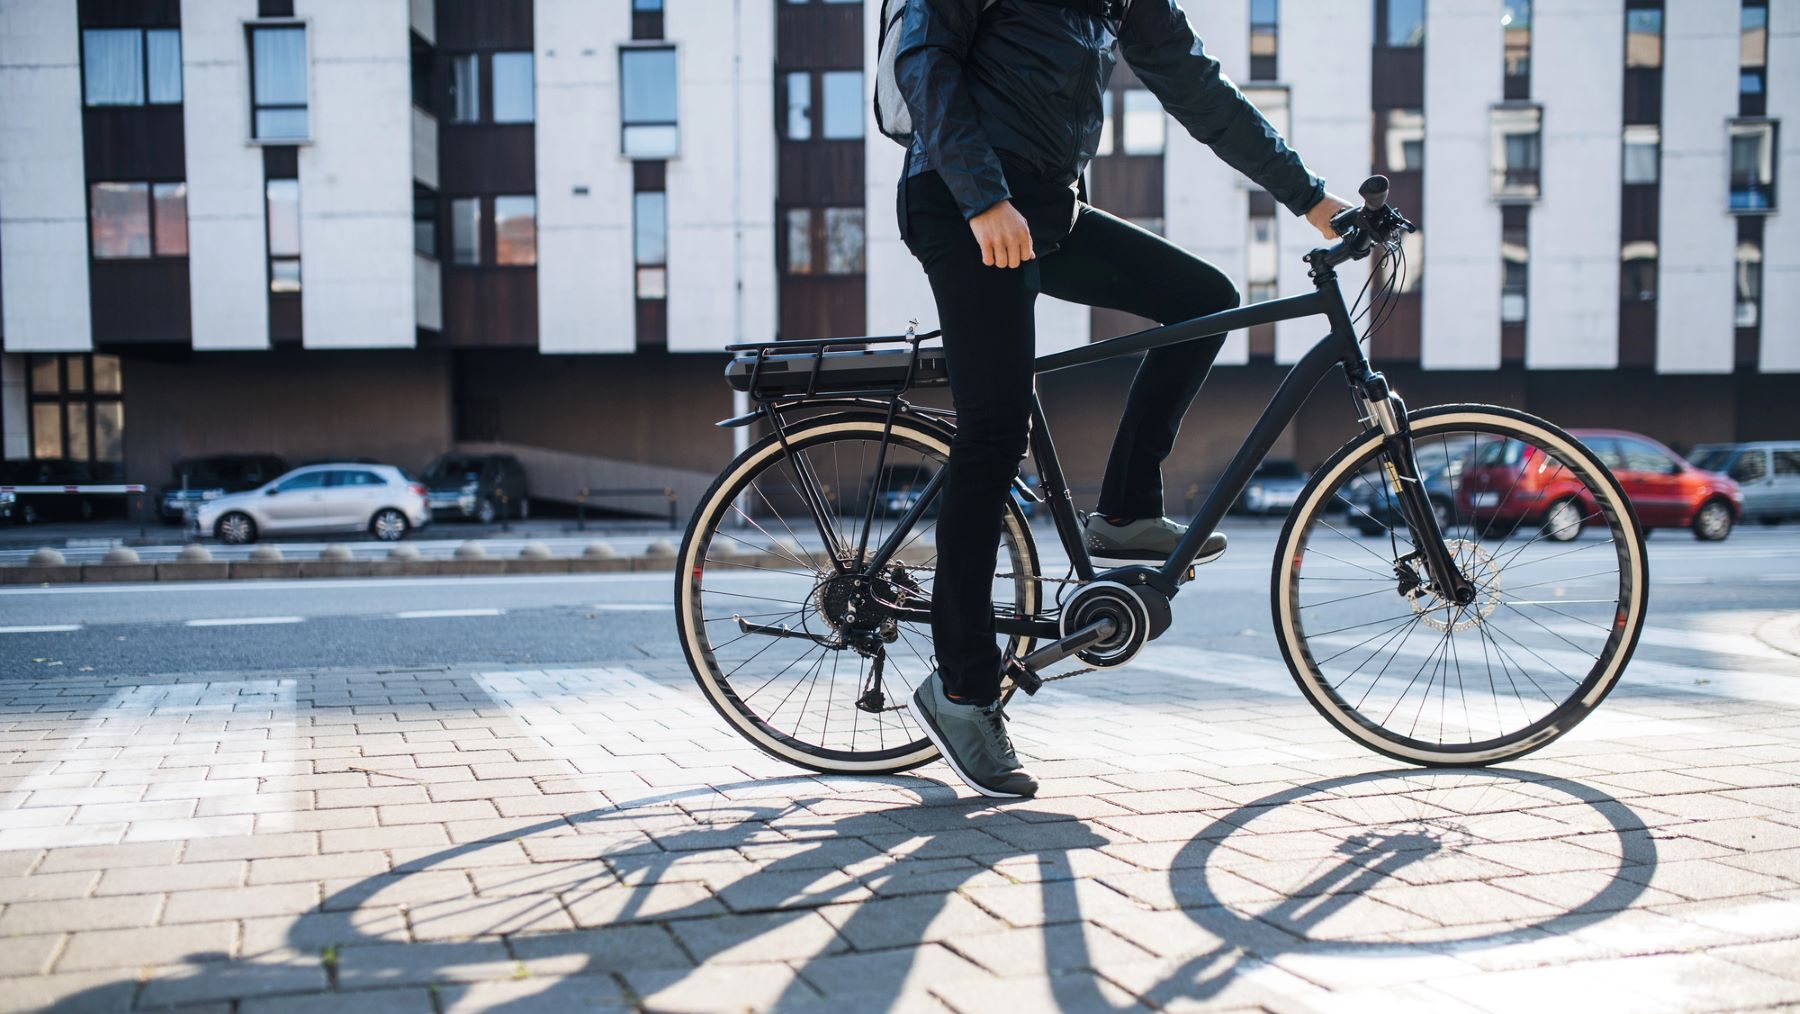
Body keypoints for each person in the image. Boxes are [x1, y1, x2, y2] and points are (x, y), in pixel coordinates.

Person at [896, 0, 1351, 799]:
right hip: (961, 200)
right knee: (994, 434)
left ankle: (1125, 511)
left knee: (1204, 298)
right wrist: (980, 196)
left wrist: (1312, 201)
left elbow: (1199, 91)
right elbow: (922, 59)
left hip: (1046, 210)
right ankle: (962, 690)